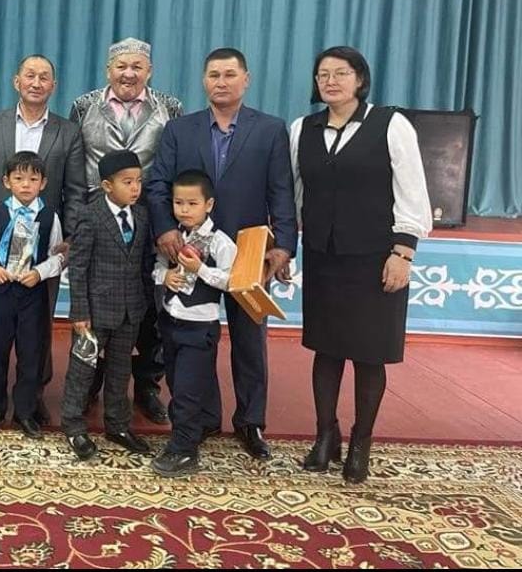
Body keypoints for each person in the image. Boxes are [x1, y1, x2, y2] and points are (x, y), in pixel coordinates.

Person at [145, 47, 297, 460]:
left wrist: (284, 246)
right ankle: (204, 417)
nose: (221, 82)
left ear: (246, 79)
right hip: (189, 248)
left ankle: (251, 422)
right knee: (194, 337)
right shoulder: (180, 130)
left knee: (250, 341)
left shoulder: (270, 130)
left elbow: (281, 191)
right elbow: (158, 185)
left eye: (230, 74)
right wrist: (165, 229)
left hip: (248, 252)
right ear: (203, 80)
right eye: (214, 75)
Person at [290, 46, 431, 484]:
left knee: (370, 355)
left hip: (376, 259)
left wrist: (403, 252)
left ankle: (361, 443)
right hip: (323, 257)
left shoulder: (390, 124)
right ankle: (325, 436)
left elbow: (412, 191)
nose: (330, 81)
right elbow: (296, 193)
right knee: (326, 349)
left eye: (341, 73)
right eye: (323, 74)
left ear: (360, 79)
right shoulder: (302, 128)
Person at [0, 54, 86, 422]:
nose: (36, 82)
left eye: (44, 77)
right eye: (30, 75)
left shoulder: (68, 132)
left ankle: (33, 394)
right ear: (17, 81)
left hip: (44, 248)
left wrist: (70, 237)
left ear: (53, 86)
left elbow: (76, 191)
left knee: (39, 324)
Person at [69, 37, 182, 424]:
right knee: (101, 304)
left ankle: (148, 385)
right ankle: (91, 384)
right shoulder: (84, 106)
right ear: (108, 70)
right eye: (121, 66)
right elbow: (74, 165)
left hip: (151, 221)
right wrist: (76, 219)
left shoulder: (170, 107)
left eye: (137, 67)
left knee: (149, 307)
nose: (128, 74)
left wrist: (170, 222)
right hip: (99, 220)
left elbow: (174, 165)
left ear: (149, 71)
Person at [60, 150, 155, 461]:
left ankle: (118, 425)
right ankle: (73, 425)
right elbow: (78, 267)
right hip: (94, 311)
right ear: (106, 185)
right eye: (127, 182)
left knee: (120, 369)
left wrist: (144, 303)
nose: (135, 188)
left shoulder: (142, 216)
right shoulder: (90, 216)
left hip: (130, 310)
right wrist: (79, 311)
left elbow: (143, 265)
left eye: (138, 181)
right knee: (82, 368)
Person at [0, 151, 66, 439]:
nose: (26, 185)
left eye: (33, 179)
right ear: (6, 181)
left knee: (31, 353)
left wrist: (39, 272)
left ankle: (25, 412)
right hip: (2, 291)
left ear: (43, 183)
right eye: (19, 178)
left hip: (32, 294)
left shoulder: (49, 216)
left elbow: (59, 256)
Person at [151, 169, 237, 477]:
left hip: (200, 326)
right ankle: (207, 422)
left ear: (209, 205)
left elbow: (230, 281)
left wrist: (200, 269)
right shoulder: (173, 238)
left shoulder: (220, 242)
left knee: (187, 390)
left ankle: (184, 450)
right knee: (176, 382)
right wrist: (165, 276)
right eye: (178, 203)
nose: (184, 210)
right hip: (171, 320)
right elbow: (157, 267)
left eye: (192, 203)